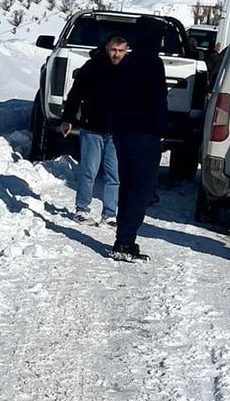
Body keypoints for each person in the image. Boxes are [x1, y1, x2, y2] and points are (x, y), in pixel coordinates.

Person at [109, 18, 170, 262]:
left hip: (122, 133)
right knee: (141, 190)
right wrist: (163, 127)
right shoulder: (153, 64)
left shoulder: (127, 61)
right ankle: (125, 242)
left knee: (128, 187)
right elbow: (158, 102)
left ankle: (123, 238)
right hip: (145, 135)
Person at [58, 36, 127, 226]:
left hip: (117, 131)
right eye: (113, 49)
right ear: (107, 48)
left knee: (114, 175)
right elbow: (75, 94)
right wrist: (68, 119)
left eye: (121, 51)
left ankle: (110, 214)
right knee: (89, 171)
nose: (116, 54)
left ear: (126, 50)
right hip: (92, 128)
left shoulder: (130, 69)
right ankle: (82, 209)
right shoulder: (92, 67)